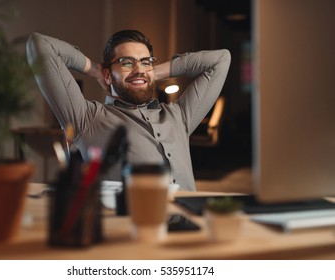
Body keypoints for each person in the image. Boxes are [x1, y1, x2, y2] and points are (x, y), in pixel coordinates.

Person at [26, 30, 230, 191]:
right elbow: (40, 45)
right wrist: (95, 70)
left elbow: (221, 60)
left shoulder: (180, 116)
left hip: (187, 232)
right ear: (107, 76)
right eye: (127, 62)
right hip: (130, 234)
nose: (138, 68)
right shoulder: (86, 117)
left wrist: (151, 73)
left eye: (145, 61)